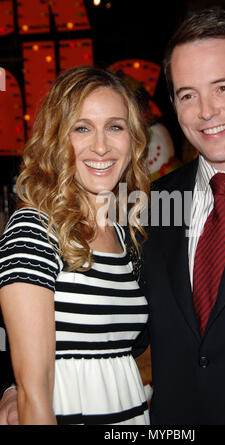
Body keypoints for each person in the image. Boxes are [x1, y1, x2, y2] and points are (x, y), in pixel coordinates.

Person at [2, 7, 225, 425]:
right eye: (188, 94)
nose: (206, 111)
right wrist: (19, 388)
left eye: (223, 87)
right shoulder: (153, 206)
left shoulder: (127, 219)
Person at [0, 65, 150, 425]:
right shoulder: (35, 230)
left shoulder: (127, 232)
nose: (101, 145)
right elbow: (33, 391)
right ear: (56, 139)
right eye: (82, 128)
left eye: (115, 127)